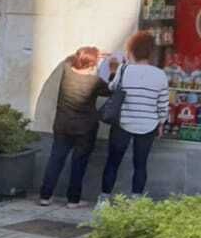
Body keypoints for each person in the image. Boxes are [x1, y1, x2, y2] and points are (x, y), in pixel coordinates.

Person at [100, 31, 171, 201]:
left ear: (132, 50)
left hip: (123, 122)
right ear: (151, 52)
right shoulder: (160, 75)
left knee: (112, 162)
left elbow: (112, 87)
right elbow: (162, 105)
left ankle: (103, 200)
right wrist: (161, 123)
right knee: (140, 165)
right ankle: (135, 202)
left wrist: (116, 69)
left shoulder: (124, 70)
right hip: (148, 124)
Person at [38, 47, 109, 207]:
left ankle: (45, 196)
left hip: (62, 125)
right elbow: (110, 90)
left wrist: (88, 55)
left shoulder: (67, 72)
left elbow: (69, 59)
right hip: (86, 128)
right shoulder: (95, 82)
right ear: (93, 64)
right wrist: (108, 65)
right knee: (79, 164)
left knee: (56, 160)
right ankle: (73, 200)